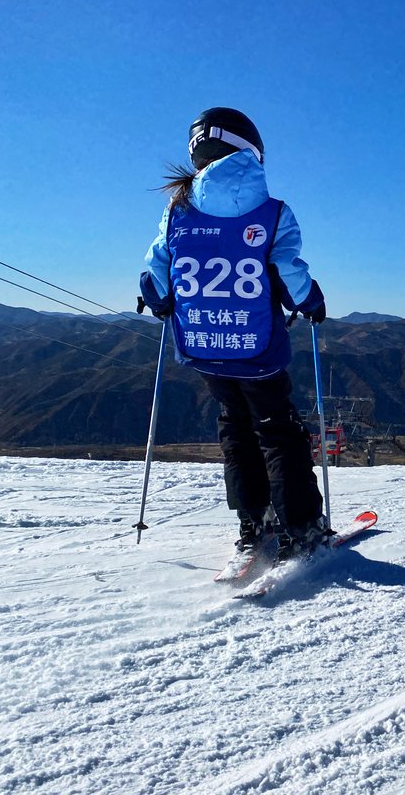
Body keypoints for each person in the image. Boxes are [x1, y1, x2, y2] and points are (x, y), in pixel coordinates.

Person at [138, 107, 328, 560]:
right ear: (252, 152)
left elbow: (156, 278)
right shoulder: (273, 213)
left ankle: (252, 519)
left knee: (236, 428)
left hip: (203, 345)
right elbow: (286, 274)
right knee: (278, 430)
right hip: (257, 346)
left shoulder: (177, 211)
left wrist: (162, 301)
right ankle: (301, 526)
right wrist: (312, 302)